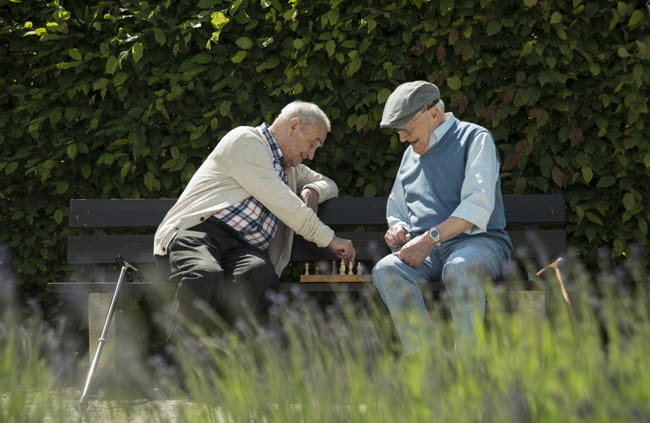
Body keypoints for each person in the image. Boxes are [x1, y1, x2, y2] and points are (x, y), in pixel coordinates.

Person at [153, 101, 356, 330]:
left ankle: (229, 356)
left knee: (260, 273)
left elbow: (329, 183)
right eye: (312, 144)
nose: (311, 154)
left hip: (241, 249)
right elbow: (284, 203)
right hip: (198, 233)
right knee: (204, 275)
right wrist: (329, 239)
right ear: (294, 126)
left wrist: (312, 191)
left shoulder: (290, 168)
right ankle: (178, 360)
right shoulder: (245, 141)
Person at [372, 81, 512, 356]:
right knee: (387, 270)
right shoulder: (410, 153)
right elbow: (397, 208)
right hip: (430, 251)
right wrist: (397, 228)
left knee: (460, 267)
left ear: (433, 114)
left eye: (406, 128)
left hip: (480, 243)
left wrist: (428, 238)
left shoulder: (474, 138)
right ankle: (427, 362)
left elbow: (478, 205)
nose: (402, 138)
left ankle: (468, 366)